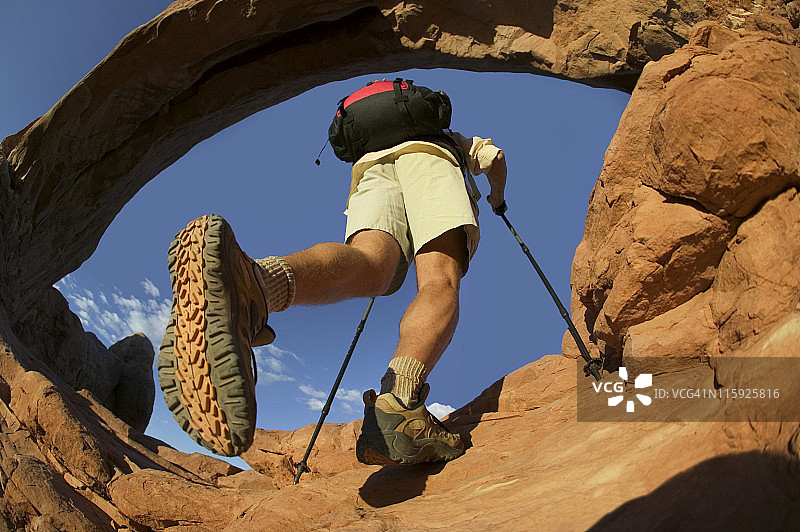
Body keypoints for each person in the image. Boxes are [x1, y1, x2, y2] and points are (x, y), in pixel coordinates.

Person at [157, 81, 507, 466]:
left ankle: (257, 284)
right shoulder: (447, 137)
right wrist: (497, 198)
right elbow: (496, 157)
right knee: (438, 278)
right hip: (433, 161)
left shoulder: (374, 142)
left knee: (371, 264)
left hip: (371, 169)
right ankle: (399, 403)